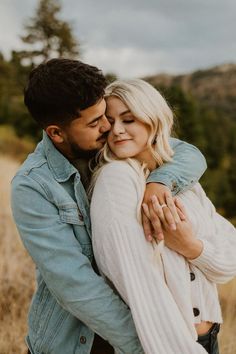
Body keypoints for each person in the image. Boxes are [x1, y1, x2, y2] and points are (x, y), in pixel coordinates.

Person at [11, 59, 207, 354]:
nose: (108, 127)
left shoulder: (111, 141)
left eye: (104, 114)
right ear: (56, 133)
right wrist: (149, 343)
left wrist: (161, 182)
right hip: (76, 342)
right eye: (94, 123)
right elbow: (74, 284)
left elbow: (188, 153)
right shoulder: (33, 186)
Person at [90, 79, 236, 354]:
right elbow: (141, 289)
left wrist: (191, 247)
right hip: (165, 345)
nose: (117, 130)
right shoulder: (116, 180)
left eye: (129, 119)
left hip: (209, 339)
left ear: (153, 119)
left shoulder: (182, 181)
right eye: (110, 122)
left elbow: (229, 261)